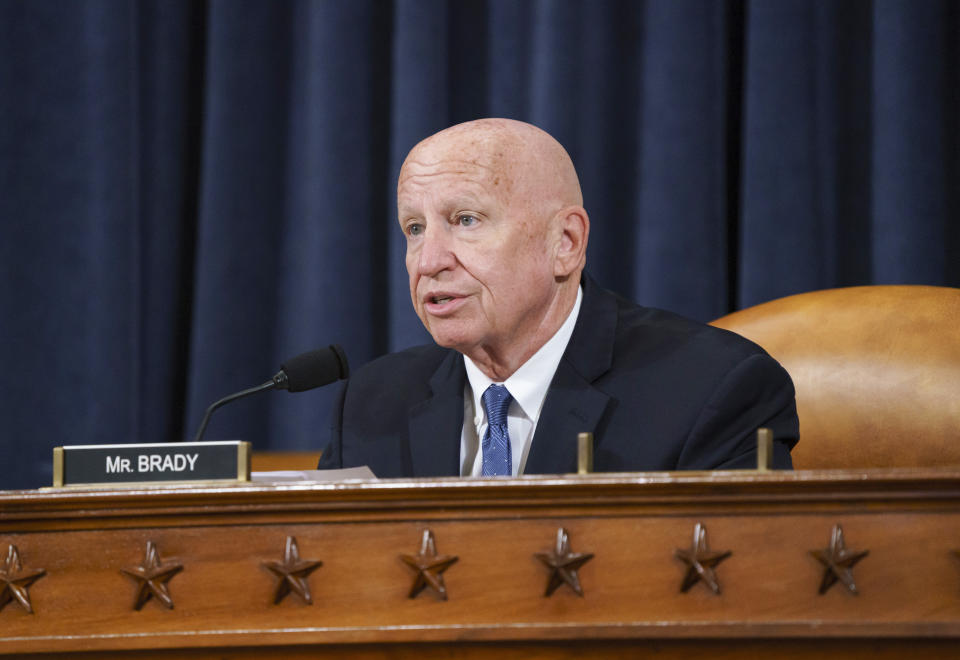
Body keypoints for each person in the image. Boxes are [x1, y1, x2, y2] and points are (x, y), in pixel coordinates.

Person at [318, 118, 798, 477]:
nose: (428, 262)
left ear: (565, 243)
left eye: (466, 220)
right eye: (415, 229)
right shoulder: (370, 405)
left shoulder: (712, 391)